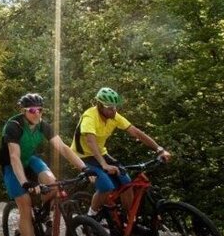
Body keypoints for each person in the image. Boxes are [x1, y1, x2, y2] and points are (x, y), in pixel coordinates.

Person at [0, 92, 90, 236]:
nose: (37, 113)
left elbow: (63, 148)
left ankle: (45, 217)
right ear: (24, 111)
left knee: (52, 183)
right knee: (25, 203)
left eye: (40, 110)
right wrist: (25, 183)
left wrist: (84, 168)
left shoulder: (43, 126)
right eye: (32, 110)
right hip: (12, 165)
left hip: (30, 160)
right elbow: (14, 157)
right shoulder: (14, 126)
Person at [70, 87, 172, 226]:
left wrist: (159, 149)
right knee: (106, 186)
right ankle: (91, 216)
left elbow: (136, 132)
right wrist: (104, 165)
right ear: (99, 105)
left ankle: (128, 219)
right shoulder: (90, 116)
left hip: (101, 153)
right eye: (109, 107)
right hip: (82, 156)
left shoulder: (114, 116)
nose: (113, 110)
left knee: (126, 181)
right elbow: (90, 141)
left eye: (115, 107)